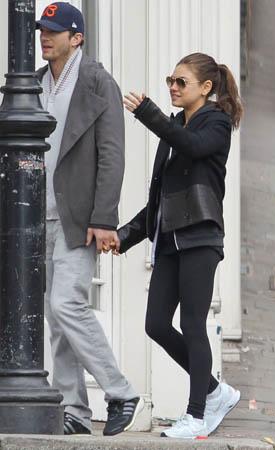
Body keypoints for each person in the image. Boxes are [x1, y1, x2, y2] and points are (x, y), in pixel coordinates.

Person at [117, 52, 243, 439]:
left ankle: (196, 415)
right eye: (170, 80)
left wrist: (148, 114)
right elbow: (160, 197)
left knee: (192, 324)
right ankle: (215, 392)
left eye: (180, 82)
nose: (172, 87)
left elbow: (192, 146)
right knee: (156, 324)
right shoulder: (174, 127)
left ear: (205, 88)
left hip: (201, 237)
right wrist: (124, 236)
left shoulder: (216, 123)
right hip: (170, 238)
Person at [36, 2, 142, 436]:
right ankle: (75, 411)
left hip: (79, 216)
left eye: (55, 31)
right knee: (55, 317)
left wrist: (104, 217)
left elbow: (112, 155)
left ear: (76, 37)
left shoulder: (97, 81)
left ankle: (120, 391)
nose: (46, 36)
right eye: (43, 29)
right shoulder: (37, 83)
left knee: (67, 304)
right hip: (36, 217)